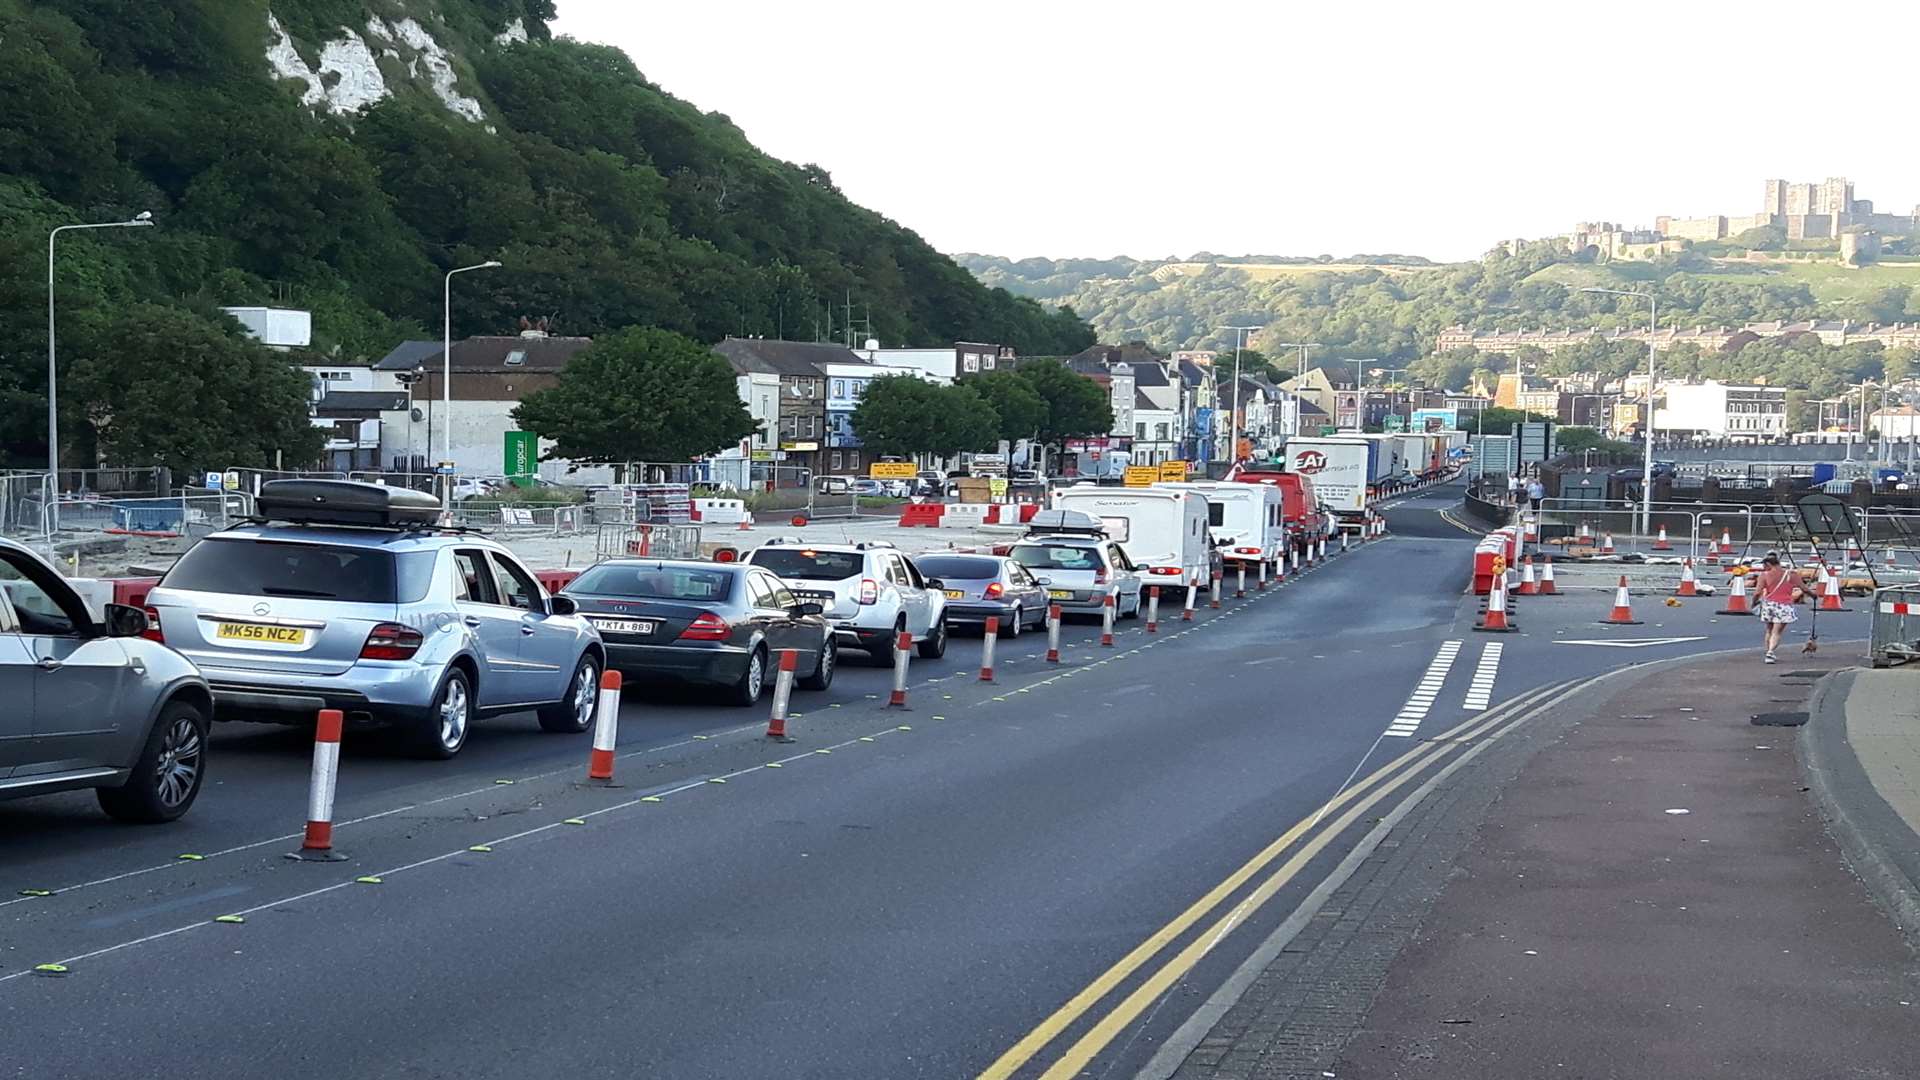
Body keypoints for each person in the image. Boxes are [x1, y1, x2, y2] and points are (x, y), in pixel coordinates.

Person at [1752, 554, 1800, 664]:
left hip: (1769, 605)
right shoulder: (1790, 574)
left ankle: (1768, 652)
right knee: (1777, 631)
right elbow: (1803, 587)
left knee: (1769, 630)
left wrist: (1754, 603)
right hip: (1784, 605)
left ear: (1768, 564)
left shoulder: (1764, 575)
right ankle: (1770, 651)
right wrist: (1813, 595)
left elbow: (1757, 592)